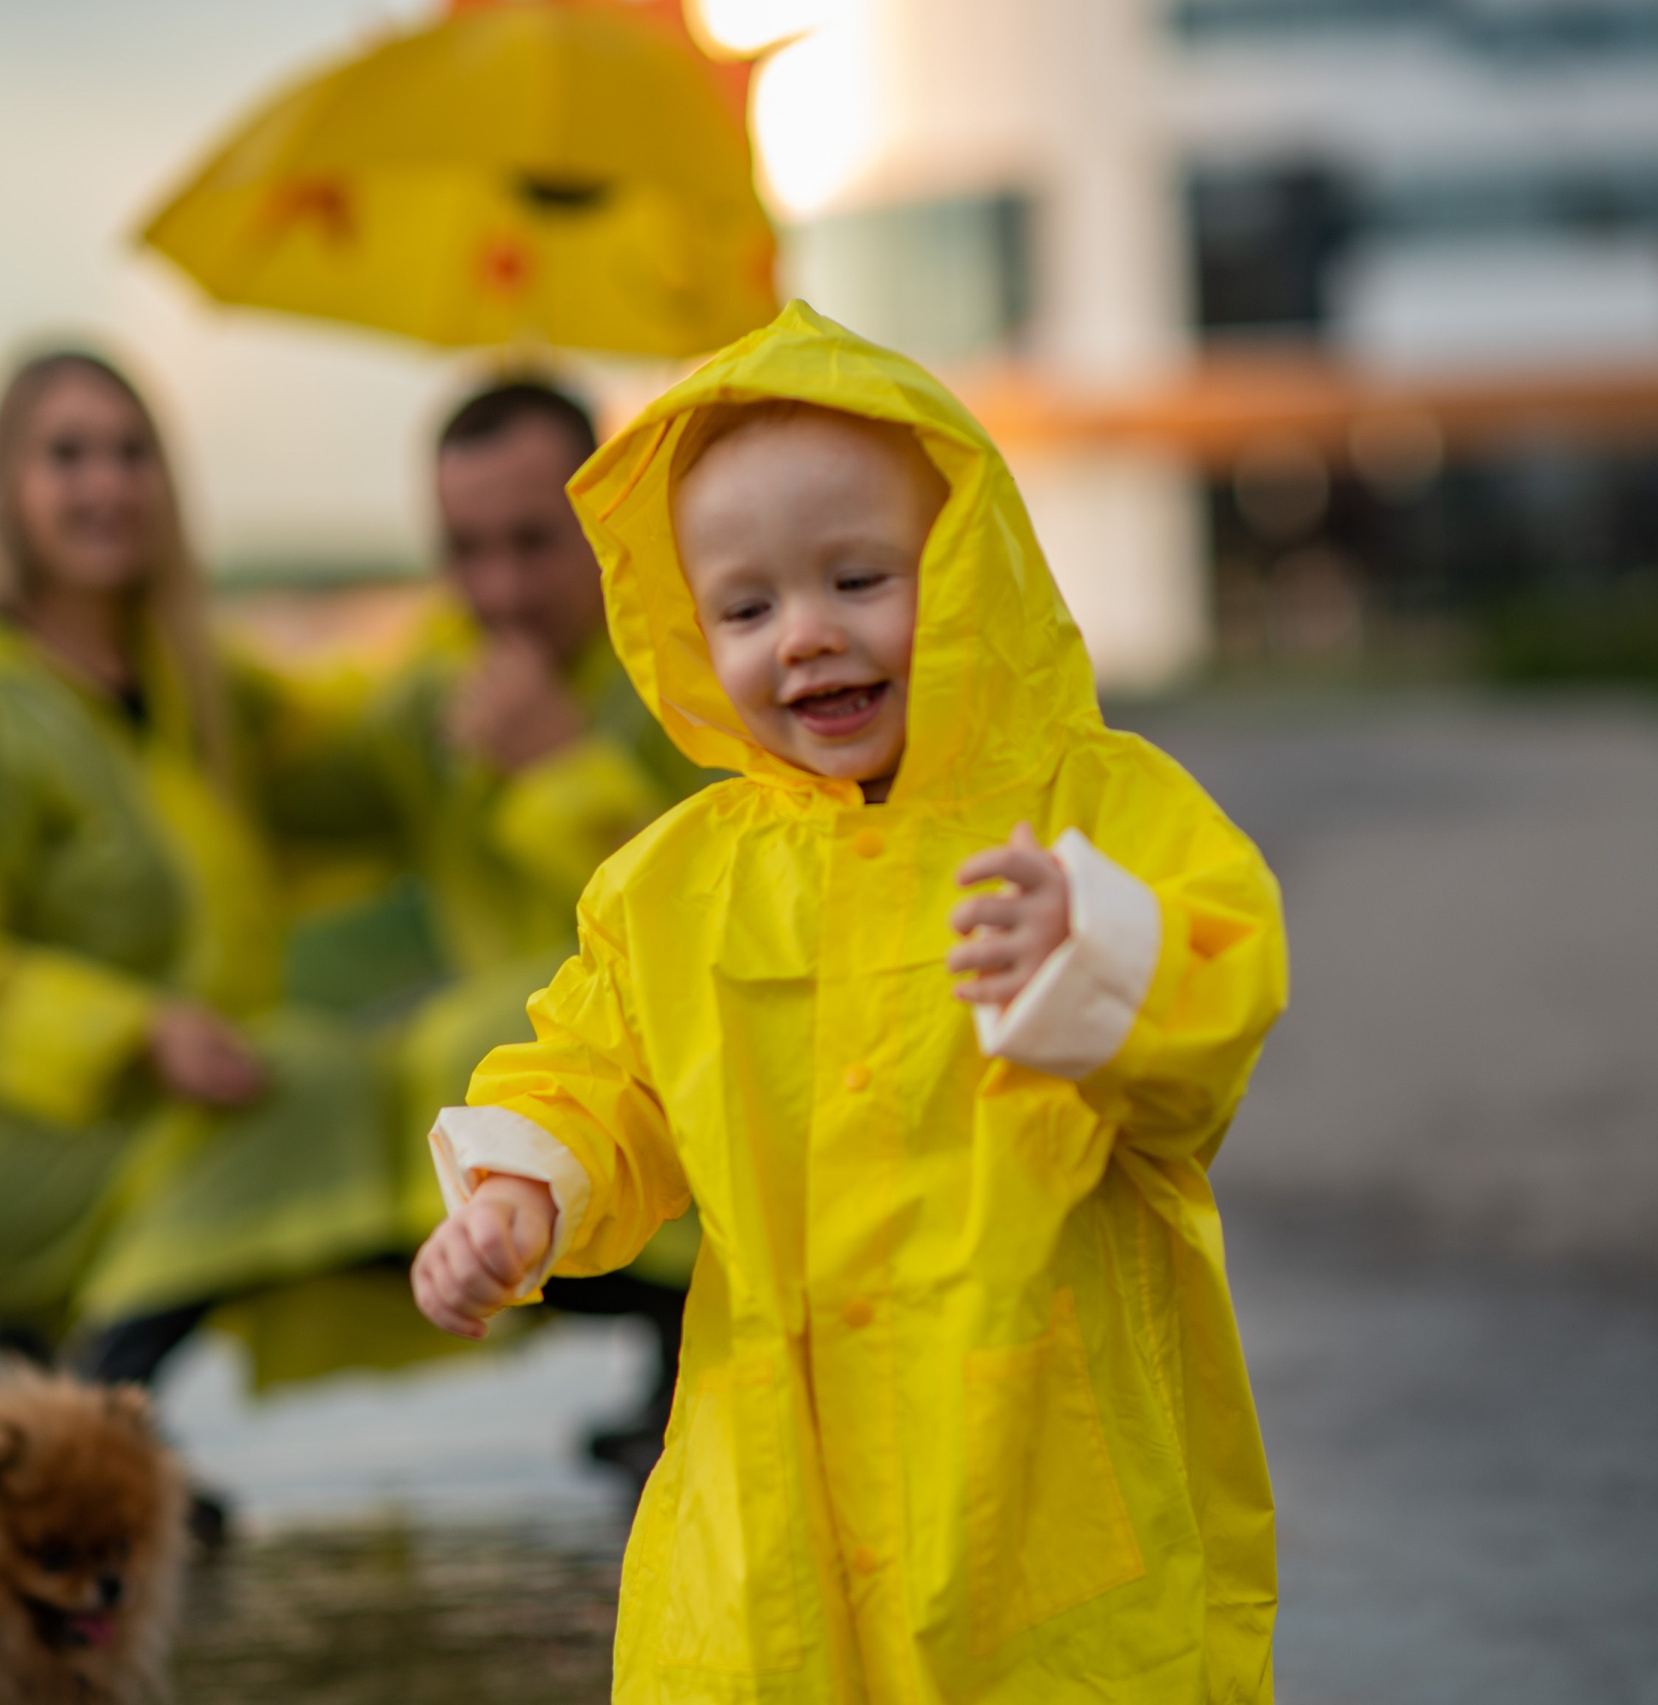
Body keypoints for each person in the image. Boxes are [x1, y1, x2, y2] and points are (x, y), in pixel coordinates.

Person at [410, 304, 1289, 1699]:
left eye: (860, 579)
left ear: (966, 563)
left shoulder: (1092, 810)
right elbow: (597, 1068)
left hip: (1034, 1479)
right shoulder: (679, 884)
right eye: (748, 607)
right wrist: (526, 1190)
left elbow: (1221, 1001)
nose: (806, 637)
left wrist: (1097, 952)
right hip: (773, 1506)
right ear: (693, 634)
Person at [0, 350, 443, 1414]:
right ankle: (97, 1425)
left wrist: (478, 640)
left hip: (94, 1103)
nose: (107, 483)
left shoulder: (182, 675)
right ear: (6, 485)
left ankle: (52, 1418)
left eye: (132, 453)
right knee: (301, 1088)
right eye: (67, 455)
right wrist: (134, 1032)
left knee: (288, 1081)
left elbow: (341, 753)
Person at [263, 380, 710, 1471]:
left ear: (602, 523)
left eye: (531, 543)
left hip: (696, 1097)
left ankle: (693, 1350)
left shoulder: (700, 659)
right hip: (560, 1120)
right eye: (466, 549)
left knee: (468, 1045)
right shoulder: (433, 690)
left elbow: (731, 921)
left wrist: (564, 771)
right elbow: (292, 784)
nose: (498, 588)